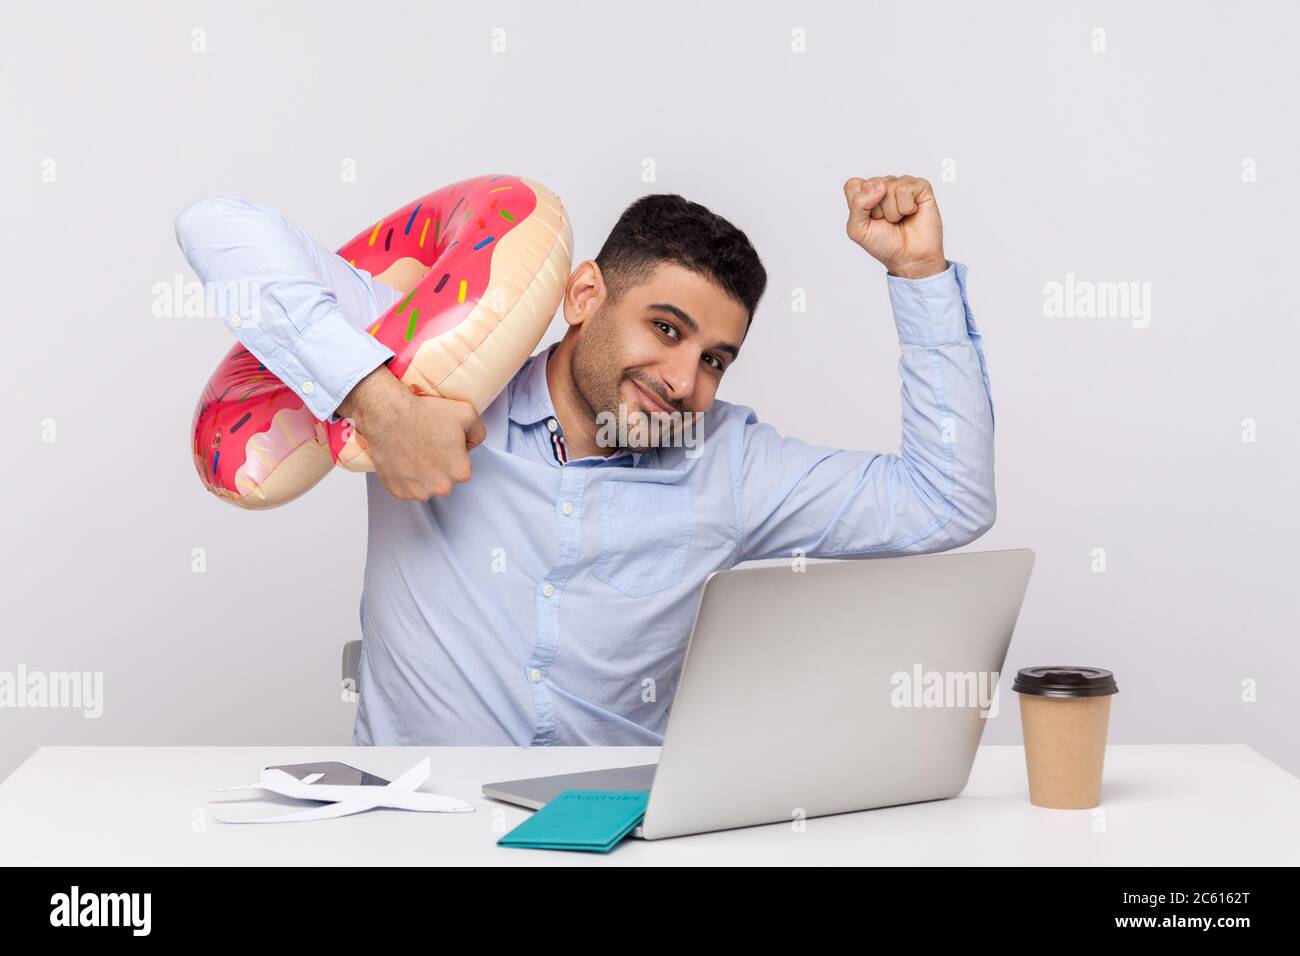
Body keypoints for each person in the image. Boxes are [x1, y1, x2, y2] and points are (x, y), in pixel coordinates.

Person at [173, 175, 997, 746]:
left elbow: (944, 499)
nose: (685, 381)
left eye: (716, 359)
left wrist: (919, 274)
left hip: (621, 838)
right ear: (583, 297)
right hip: (416, 828)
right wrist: (376, 406)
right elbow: (214, 225)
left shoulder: (732, 463)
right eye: (666, 330)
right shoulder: (432, 374)